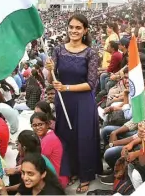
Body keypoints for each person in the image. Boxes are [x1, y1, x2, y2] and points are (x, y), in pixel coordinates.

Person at [45, 14, 102, 193]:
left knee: (84, 137)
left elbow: (91, 84)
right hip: (63, 101)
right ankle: (72, 171)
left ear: (85, 30)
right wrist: (49, 71)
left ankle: (86, 175)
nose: (74, 31)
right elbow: (51, 80)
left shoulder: (91, 53)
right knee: (66, 137)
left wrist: (66, 87)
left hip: (83, 101)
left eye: (78, 28)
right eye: (71, 27)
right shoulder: (58, 50)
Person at [0, 153, 66, 195]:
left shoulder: (52, 193)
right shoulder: (27, 185)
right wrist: (3, 190)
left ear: (43, 174)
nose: (24, 178)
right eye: (23, 173)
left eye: (30, 174)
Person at [30, 112, 68, 188]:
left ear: (47, 124)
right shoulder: (48, 135)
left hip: (57, 181)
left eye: (41, 124)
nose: (37, 128)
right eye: (34, 125)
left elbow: (38, 162)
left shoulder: (48, 139)